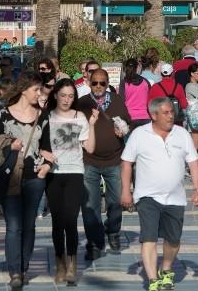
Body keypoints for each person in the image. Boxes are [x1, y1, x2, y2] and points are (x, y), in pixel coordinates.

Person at [121, 97, 198, 291]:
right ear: (153, 115)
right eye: (166, 113)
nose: (171, 116)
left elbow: (193, 162)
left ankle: (166, 268)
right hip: (147, 196)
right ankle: (152, 279)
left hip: (175, 197)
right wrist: (126, 191)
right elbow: (126, 163)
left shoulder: (182, 134)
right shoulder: (139, 134)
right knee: (148, 238)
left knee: (173, 240)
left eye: (172, 112)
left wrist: (197, 189)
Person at [0, 71, 50, 288]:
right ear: (24, 90)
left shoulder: (43, 116)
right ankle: (15, 271)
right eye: (36, 89)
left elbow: (47, 146)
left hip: (35, 178)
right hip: (11, 177)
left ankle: (24, 266)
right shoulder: (3, 115)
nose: (39, 93)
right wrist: (10, 147)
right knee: (14, 226)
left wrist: (46, 166)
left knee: (29, 224)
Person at [40, 79, 98, 285]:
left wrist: (92, 125)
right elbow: (39, 143)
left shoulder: (79, 116)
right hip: (53, 173)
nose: (66, 100)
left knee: (71, 220)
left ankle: (72, 264)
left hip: (74, 172)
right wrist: (43, 153)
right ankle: (60, 263)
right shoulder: (46, 116)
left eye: (70, 96)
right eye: (63, 95)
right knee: (57, 221)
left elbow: (90, 148)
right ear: (55, 95)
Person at [74, 69, 131, 260]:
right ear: (89, 83)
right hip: (89, 160)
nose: (98, 86)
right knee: (91, 204)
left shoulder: (117, 101)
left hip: (114, 159)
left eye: (102, 83)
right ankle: (94, 241)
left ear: (108, 84)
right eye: (95, 83)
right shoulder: (82, 103)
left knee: (115, 201)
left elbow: (128, 121)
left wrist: (123, 129)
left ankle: (113, 231)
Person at [121, 58, 152, 129]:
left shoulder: (124, 83)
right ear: (137, 67)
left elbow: (121, 101)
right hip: (145, 117)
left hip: (130, 117)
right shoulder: (145, 82)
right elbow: (151, 99)